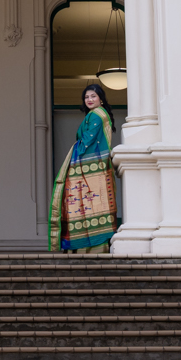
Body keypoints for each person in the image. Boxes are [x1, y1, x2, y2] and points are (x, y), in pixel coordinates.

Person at [49, 82, 119, 253]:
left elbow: (87, 141)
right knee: (95, 205)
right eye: (86, 97)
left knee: (81, 203)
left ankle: (85, 249)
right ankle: (96, 248)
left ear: (101, 99)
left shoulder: (95, 115)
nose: (89, 99)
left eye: (93, 96)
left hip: (89, 169)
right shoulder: (102, 115)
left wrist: (74, 156)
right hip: (99, 169)